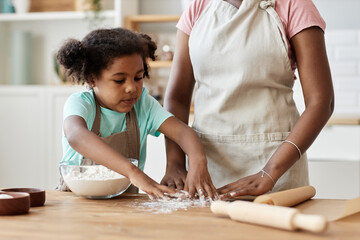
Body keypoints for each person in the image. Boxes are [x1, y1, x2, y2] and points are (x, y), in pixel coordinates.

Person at [161, 0, 334, 199]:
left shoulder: (295, 5)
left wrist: (270, 172)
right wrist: (174, 163)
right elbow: (177, 99)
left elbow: (321, 102)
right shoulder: (199, 7)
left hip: (277, 174)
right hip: (207, 174)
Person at [56, 28, 217, 199]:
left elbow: (183, 132)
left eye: (138, 77)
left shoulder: (142, 105)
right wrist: (134, 173)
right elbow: (76, 136)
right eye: (119, 80)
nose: (131, 87)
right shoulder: (81, 103)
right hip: (76, 201)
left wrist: (198, 161)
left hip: (124, 203)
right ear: (92, 78)